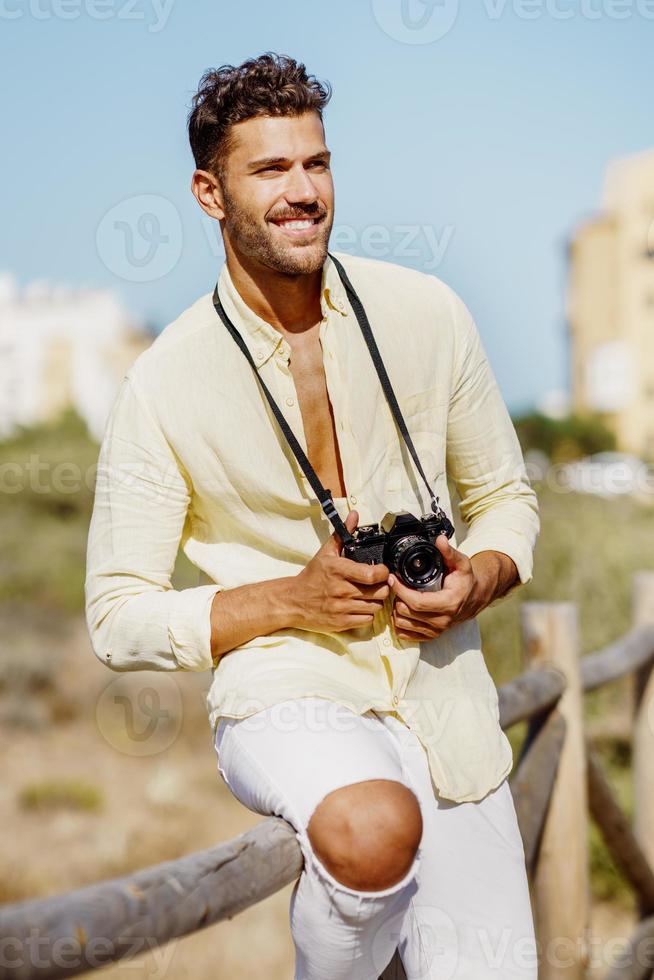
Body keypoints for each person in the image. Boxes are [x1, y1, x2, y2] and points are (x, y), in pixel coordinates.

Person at [85, 51, 540, 980]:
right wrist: (288, 599)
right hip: (288, 693)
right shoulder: (164, 382)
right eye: (270, 170)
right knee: (373, 829)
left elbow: (505, 500)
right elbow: (116, 612)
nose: (304, 192)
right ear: (211, 194)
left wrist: (475, 581)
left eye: (316, 163)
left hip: (446, 702)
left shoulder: (429, 313)